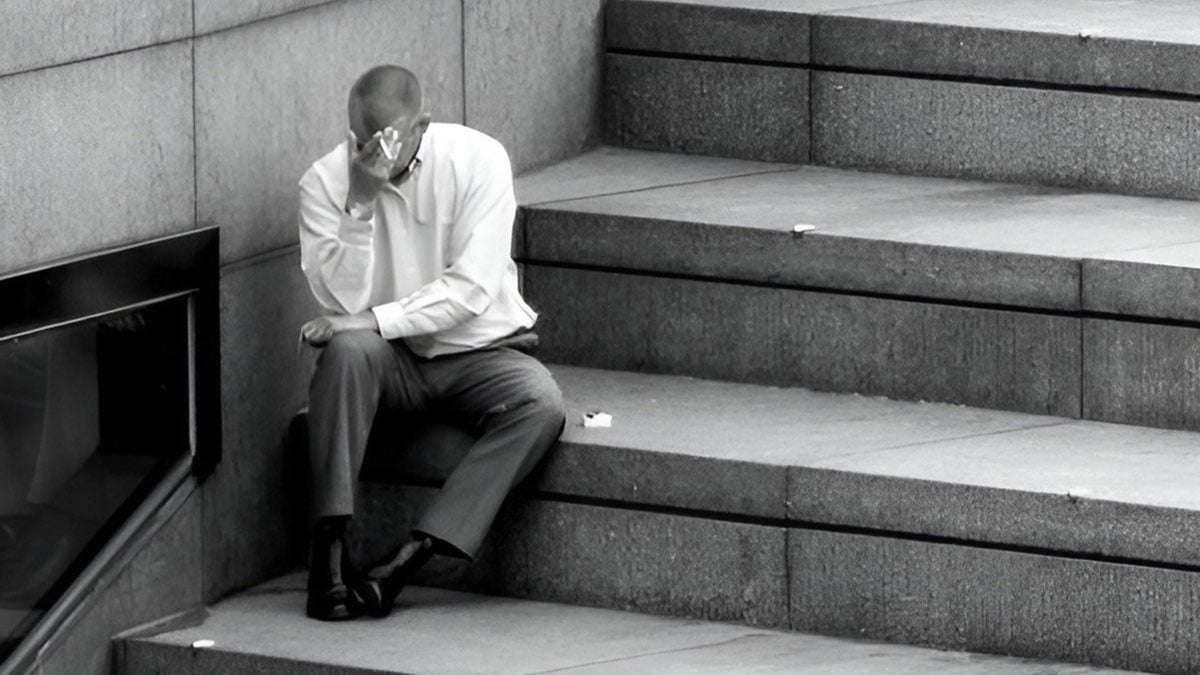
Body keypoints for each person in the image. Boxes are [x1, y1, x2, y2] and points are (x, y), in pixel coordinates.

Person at [297, 64, 565, 621]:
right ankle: (328, 550)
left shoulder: (478, 160)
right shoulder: (324, 183)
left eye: (387, 139)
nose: (372, 151)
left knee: (540, 404)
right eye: (360, 138)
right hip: (389, 363)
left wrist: (374, 321)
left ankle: (407, 560)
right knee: (346, 353)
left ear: (422, 123)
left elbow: (469, 292)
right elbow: (342, 305)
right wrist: (360, 207)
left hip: (480, 352)